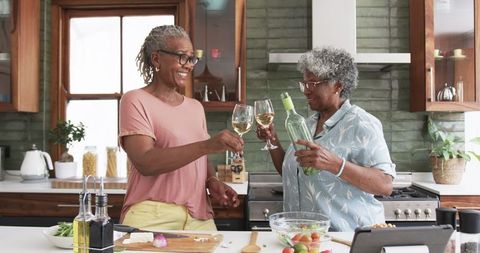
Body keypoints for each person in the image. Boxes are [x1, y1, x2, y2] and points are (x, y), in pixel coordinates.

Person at [256, 47, 396, 231]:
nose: (306, 91)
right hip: (306, 239)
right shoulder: (308, 124)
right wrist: (272, 140)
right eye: (304, 84)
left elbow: (385, 185)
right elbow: (295, 175)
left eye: (313, 83)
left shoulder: (362, 123)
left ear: (338, 85)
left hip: (348, 239)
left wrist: (335, 164)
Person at [119, 25, 243, 231]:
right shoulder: (135, 100)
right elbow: (145, 162)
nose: (188, 65)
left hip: (199, 216)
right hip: (152, 215)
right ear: (156, 59)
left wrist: (212, 181)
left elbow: (201, 160)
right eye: (182, 57)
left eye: (191, 59)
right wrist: (208, 145)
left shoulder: (195, 107)